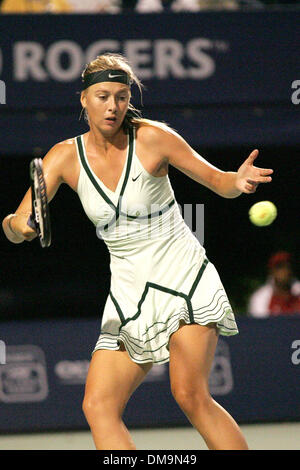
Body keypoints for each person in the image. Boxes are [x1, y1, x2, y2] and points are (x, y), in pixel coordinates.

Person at [2, 52, 273, 450]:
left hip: (184, 276)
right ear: (84, 99)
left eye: (122, 96)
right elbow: (14, 225)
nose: (113, 106)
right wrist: (19, 227)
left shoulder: (153, 137)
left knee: (190, 394)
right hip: (129, 290)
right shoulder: (63, 156)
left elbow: (218, 181)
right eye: (102, 96)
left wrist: (239, 180)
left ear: (130, 99)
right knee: (97, 405)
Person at [248, 251, 300, 317]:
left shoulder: (297, 293)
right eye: (280, 267)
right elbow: (259, 325)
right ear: (272, 271)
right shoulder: (260, 298)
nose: (285, 271)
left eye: (288, 266)